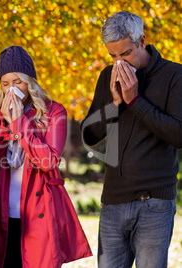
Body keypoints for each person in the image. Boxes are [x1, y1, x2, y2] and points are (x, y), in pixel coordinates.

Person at [81, 11, 182, 268]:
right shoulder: (108, 76)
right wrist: (115, 104)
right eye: (112, 56)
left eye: (125, 54)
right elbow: (89, 135)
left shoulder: (174, 76)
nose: (119, 62)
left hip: (155, 202)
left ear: (142, 41)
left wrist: (135, 100)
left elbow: (178, 135)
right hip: (113, 202)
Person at [0, 46, 92, 268]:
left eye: (18, 82)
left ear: (29, 82)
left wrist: (19, 124)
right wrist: (3, 126)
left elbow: (49, 161)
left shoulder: (53, 112)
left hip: (38, 212)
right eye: (6, 83)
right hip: (3, 211)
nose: (12, 89)